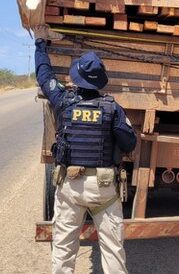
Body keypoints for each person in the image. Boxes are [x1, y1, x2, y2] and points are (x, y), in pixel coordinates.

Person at [32, 25, 137, 274]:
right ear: (99, 82)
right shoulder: (112, 109)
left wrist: (40, 44)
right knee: (112, 250)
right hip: (104, 190)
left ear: (76, 78)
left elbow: (44, 76)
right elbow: (129, 143)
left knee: (64, 251)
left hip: (70, 187)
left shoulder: (63, 101)